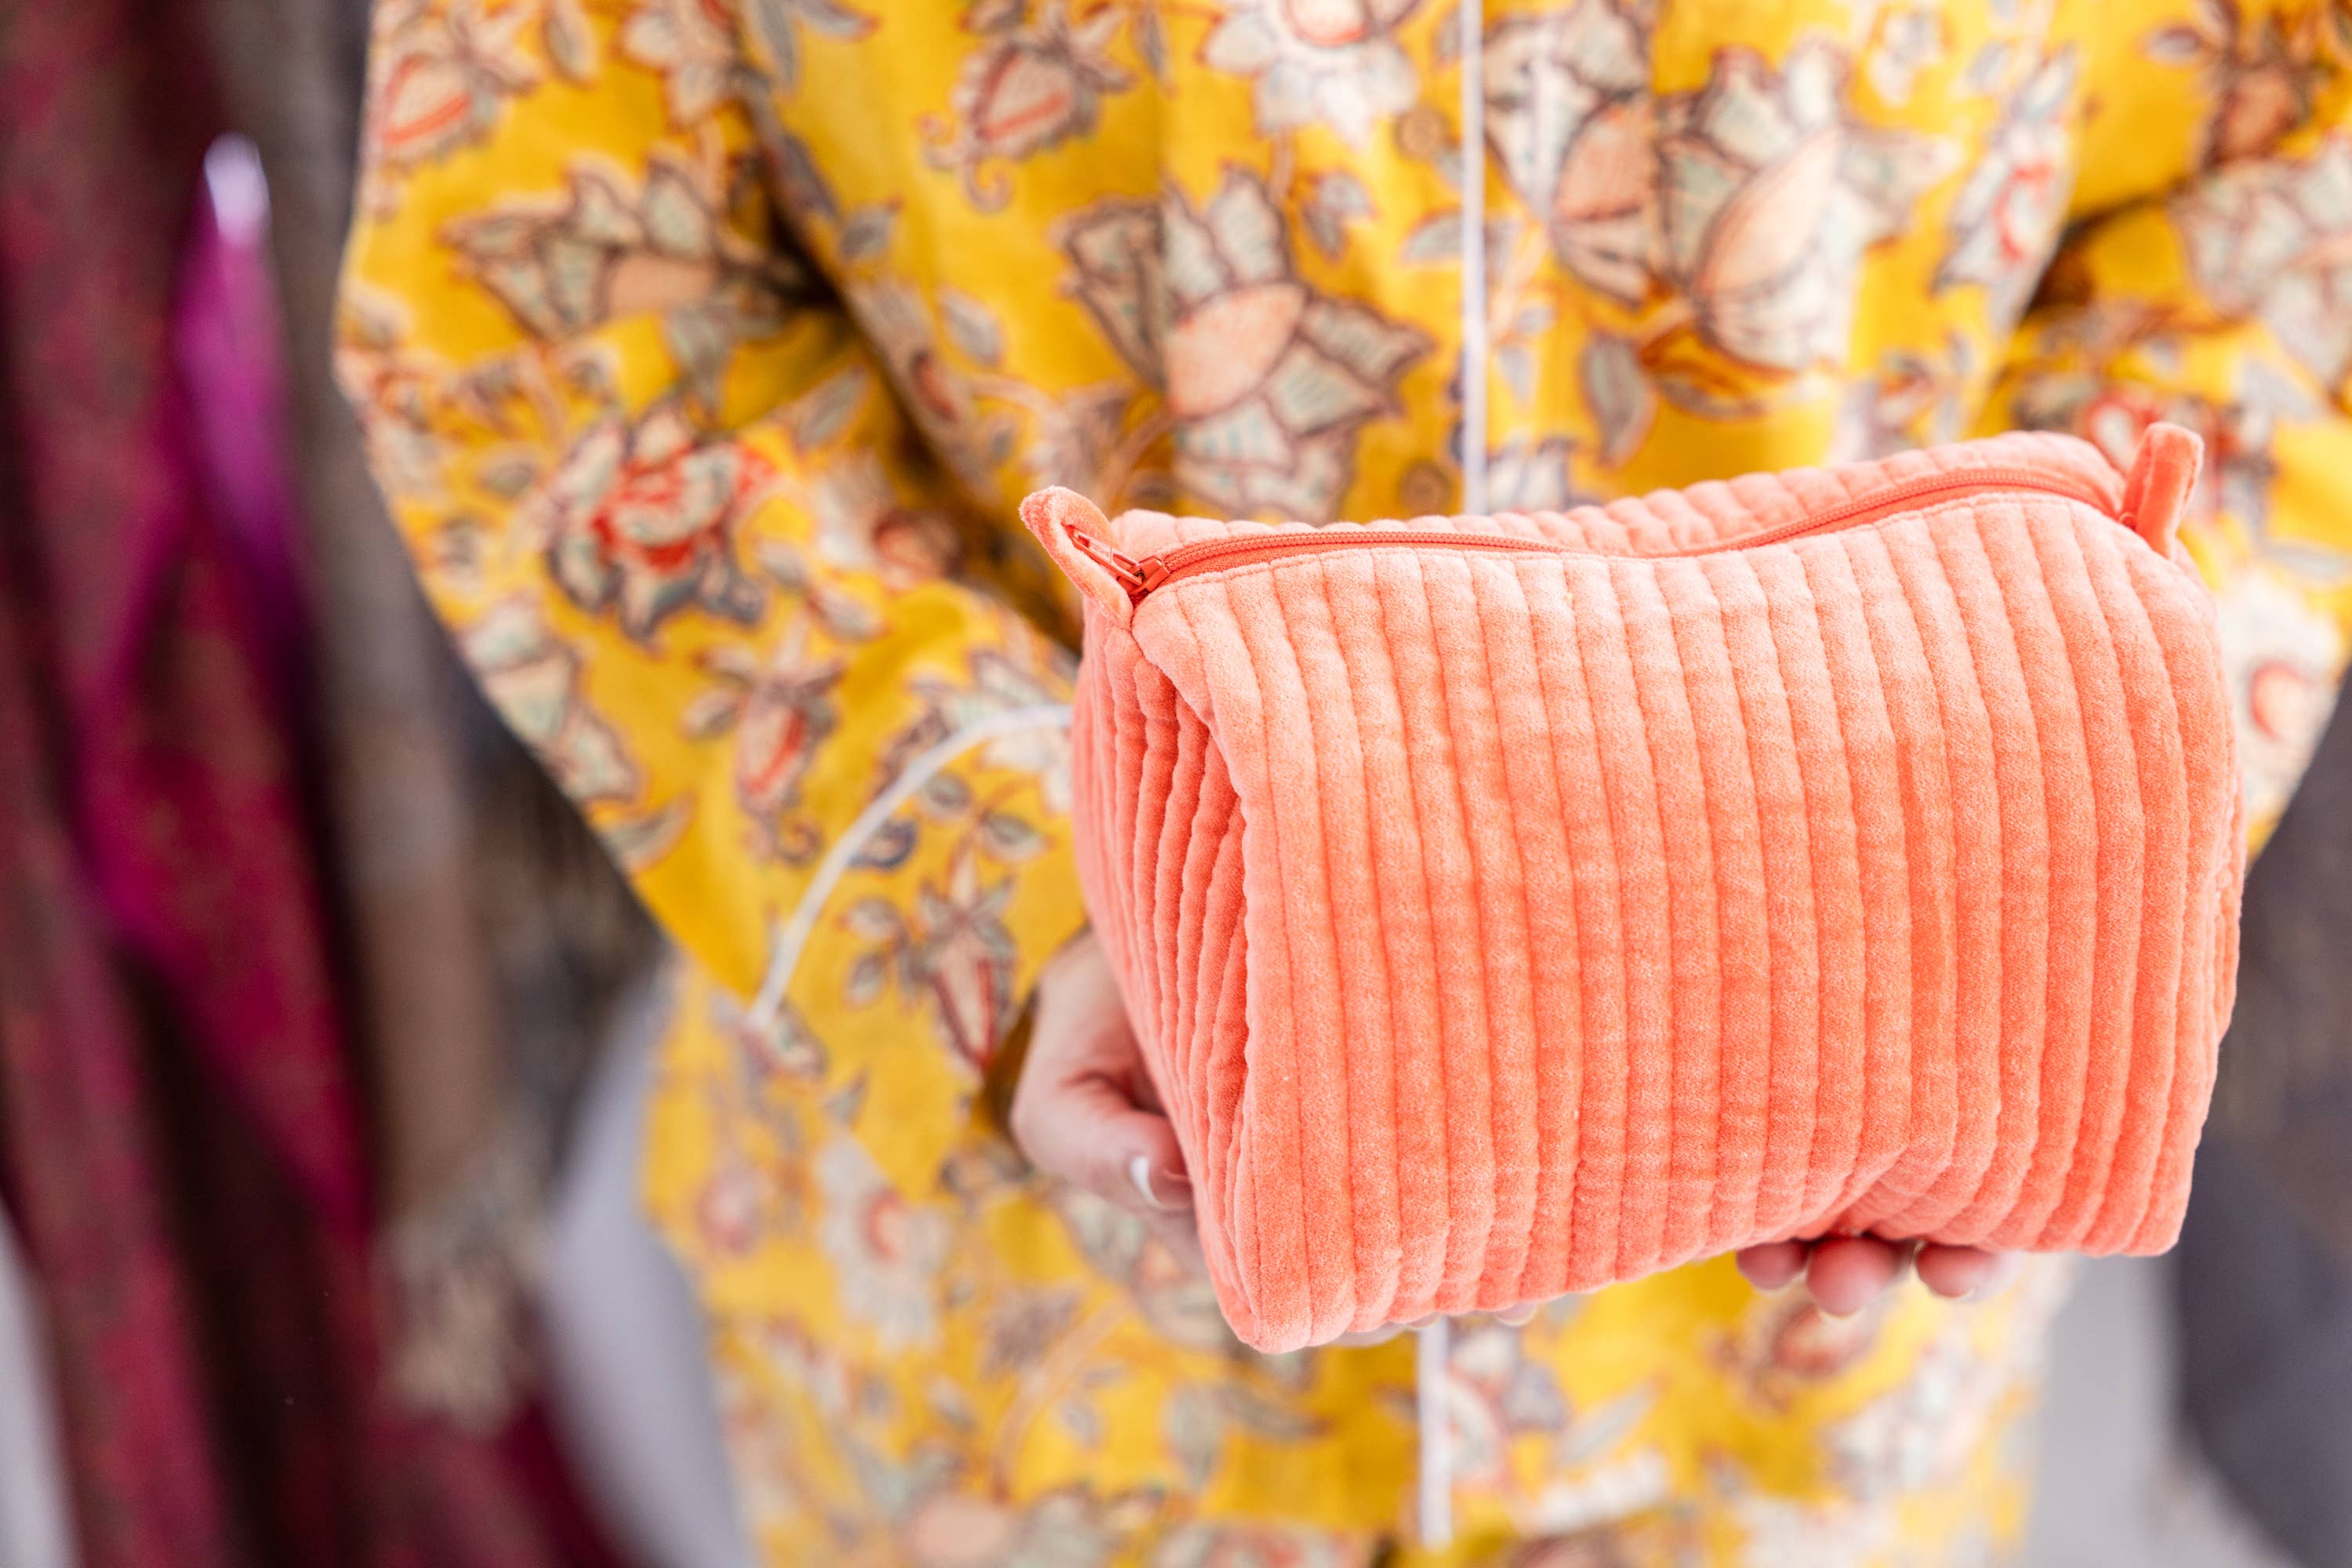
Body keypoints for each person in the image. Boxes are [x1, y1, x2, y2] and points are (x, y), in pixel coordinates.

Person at [339, 1, 2352, 1560]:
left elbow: (2284, 211)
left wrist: (2054, 873)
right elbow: (541, 302)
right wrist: (1020, 891)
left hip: (1798, 1403)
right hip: (1033, 1367)